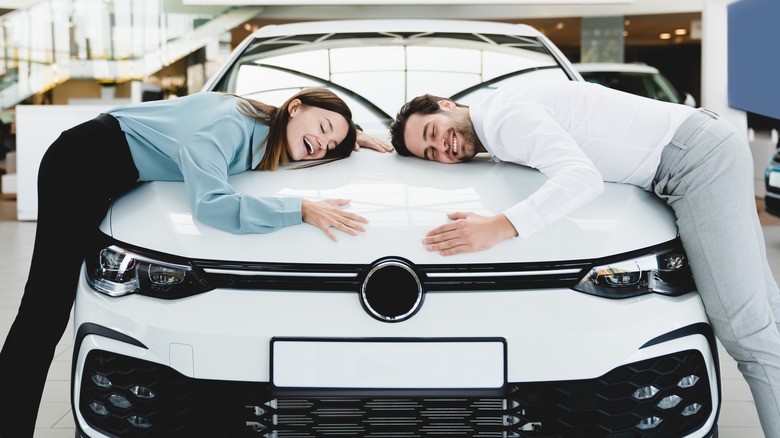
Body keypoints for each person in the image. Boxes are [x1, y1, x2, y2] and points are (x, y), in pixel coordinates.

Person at [389, 80, 780, 436]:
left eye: (432, 132)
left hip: (694, 162)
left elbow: (582, 177)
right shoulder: (500, 118)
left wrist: (496, 228)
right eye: (430, 152)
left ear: (447, 104)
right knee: (768, 314)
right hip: (702, 146)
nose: (442, 146)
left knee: (746, 333)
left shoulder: (506, 120)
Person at [0, 87, 391, 437]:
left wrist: (353, 136)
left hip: (108, 168)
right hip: (82, 162)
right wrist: (299, 209)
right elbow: (210, 205)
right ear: (294, 107)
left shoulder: (266, 128)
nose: (321, 144)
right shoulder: (232, 124)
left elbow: (313, 135)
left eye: (331, 143)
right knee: (45, 310)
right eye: (322, 128)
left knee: (45, 309)